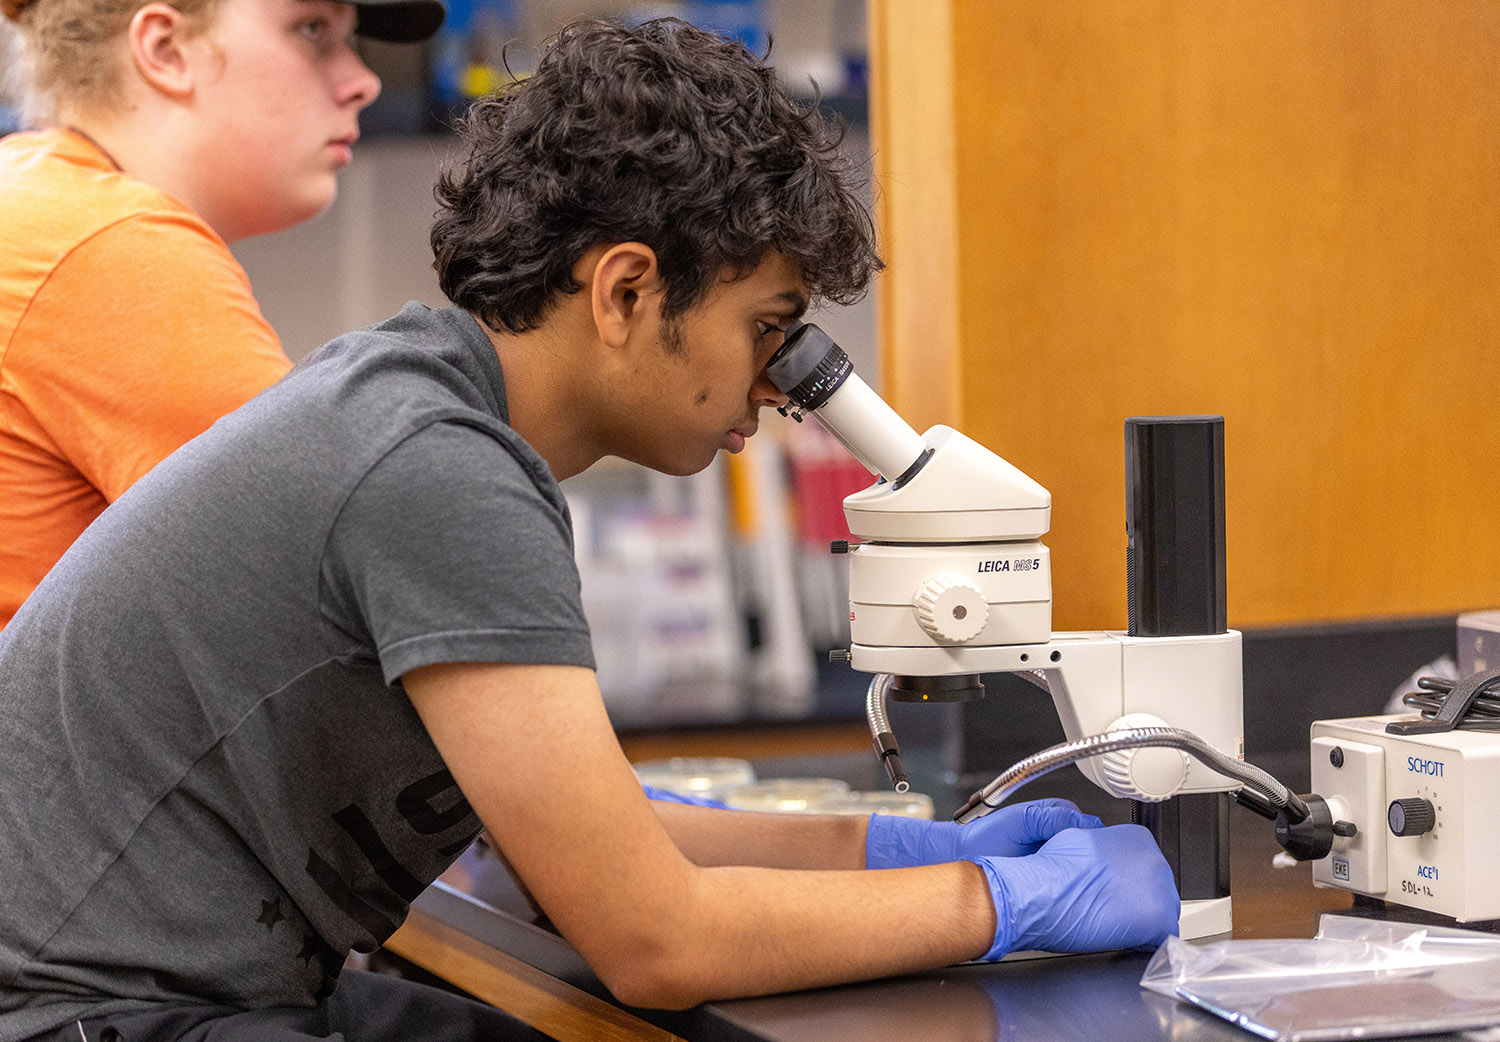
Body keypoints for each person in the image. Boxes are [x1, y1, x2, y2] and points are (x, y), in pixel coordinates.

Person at [0, 17, 1179, 1042]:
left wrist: (916, 854)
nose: (778, 385)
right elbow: (655, 937)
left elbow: (598, 841)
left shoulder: (418, 407)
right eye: (766, 328)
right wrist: (1006, 905)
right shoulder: (440, 474)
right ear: (624, 291)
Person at [0, 0, 445, 629]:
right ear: (166, 50)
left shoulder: (38, 196)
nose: (363, 81)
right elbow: (370, 586)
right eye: (312, 30)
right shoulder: (112, 248)